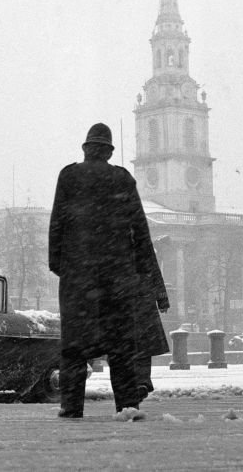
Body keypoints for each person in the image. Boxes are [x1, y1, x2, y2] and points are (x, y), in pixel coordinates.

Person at [48, 123, 170, 418]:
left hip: (79, 279)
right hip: (118, 278)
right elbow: (141, 234)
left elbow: (56, 227)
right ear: (109, 151)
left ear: (86, 148)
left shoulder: (69, 176)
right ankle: (127, 404)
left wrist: (62, 266)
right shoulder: (122, 179)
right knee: (122, 347)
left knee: (74, 348)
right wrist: (151, 282)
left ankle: (71, 405)